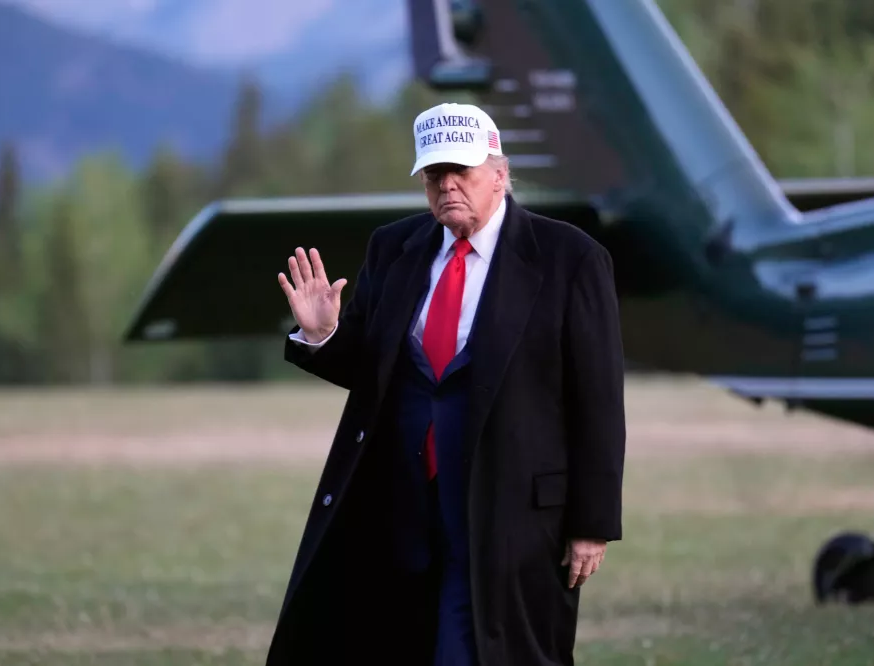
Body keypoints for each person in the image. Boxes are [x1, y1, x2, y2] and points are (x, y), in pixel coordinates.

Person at [265, 102, 626, 666]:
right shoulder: (393, 248)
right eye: (435, 175)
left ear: (500, 174)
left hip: (508, 519)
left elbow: (598, 400)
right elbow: (371, 371)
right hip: (399, 513)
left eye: (463, 172)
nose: (448, 186)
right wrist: (324, 334)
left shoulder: (570, 259)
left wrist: (592, 523)